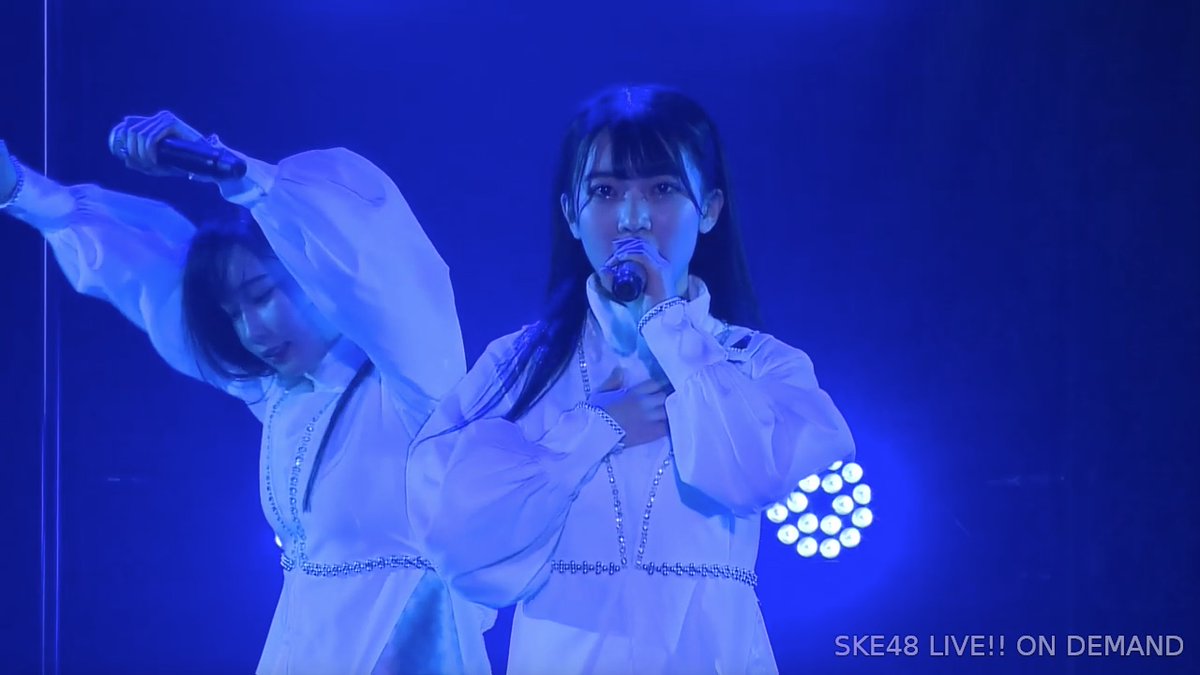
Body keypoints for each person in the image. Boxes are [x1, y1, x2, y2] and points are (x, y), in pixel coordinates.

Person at [0, 113, 492, 674]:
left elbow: (385, 266)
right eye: (234, 312)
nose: (253, 329)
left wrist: (241, 175)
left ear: (310, 268)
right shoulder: (279, 396)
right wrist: (21, 190)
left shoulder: (414, 384)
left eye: (263, 295)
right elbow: (149, 278)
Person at [407, 84, 856, 674]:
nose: (633, 218)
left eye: (662, 188)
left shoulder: (760, 363)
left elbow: (748, 474)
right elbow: (455, 537)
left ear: (710, 209)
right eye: (605, 191)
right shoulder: (518, 366)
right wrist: (593, 430)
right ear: (571, 213)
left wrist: (669, 324)